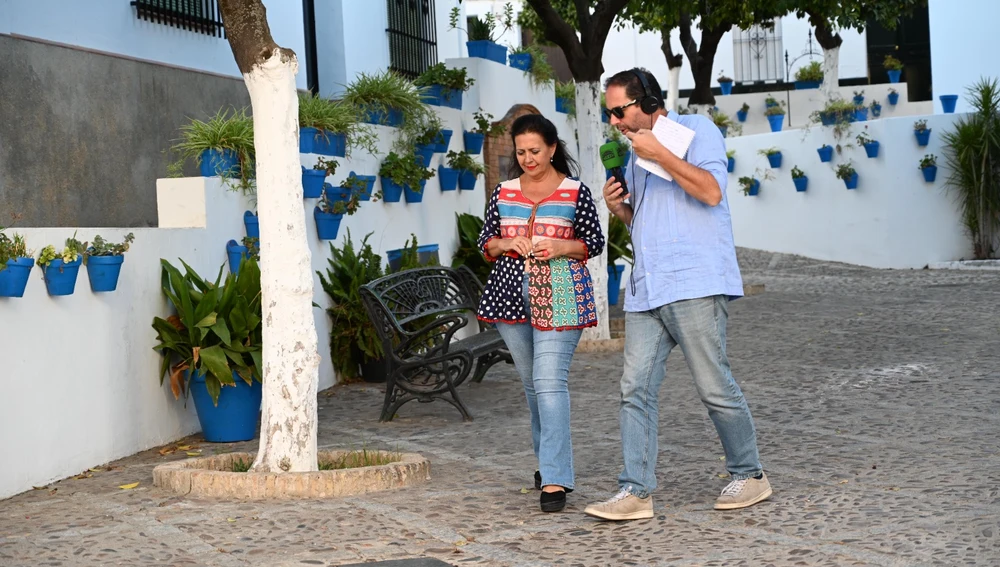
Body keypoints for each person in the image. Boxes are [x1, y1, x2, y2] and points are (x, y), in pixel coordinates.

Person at [584, 68, 772, 521]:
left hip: (695, 283)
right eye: (609, 114)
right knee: (634, 389)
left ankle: (751, 474)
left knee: (713, 386)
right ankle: (635, 491)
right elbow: (648, 220)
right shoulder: (634, 155)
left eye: (619, 111)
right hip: (648, 288)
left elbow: (710, 192)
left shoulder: (696, 130)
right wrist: (620, 209)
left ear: (648, 102)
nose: (614, 122)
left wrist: (661, 154)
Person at [476, 114, 605, 513]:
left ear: (551, 148)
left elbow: (594, 242)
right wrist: (506, 243)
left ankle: (554, 478)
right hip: (509, 297)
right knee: (533, 386)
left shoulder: (574, 191)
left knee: (549, 382)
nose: (528, 159)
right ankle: (548, 462)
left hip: (561, 293)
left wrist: (562, 247)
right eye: (521, 152)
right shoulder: (503, 192)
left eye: (535, 151)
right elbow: (486, 243)